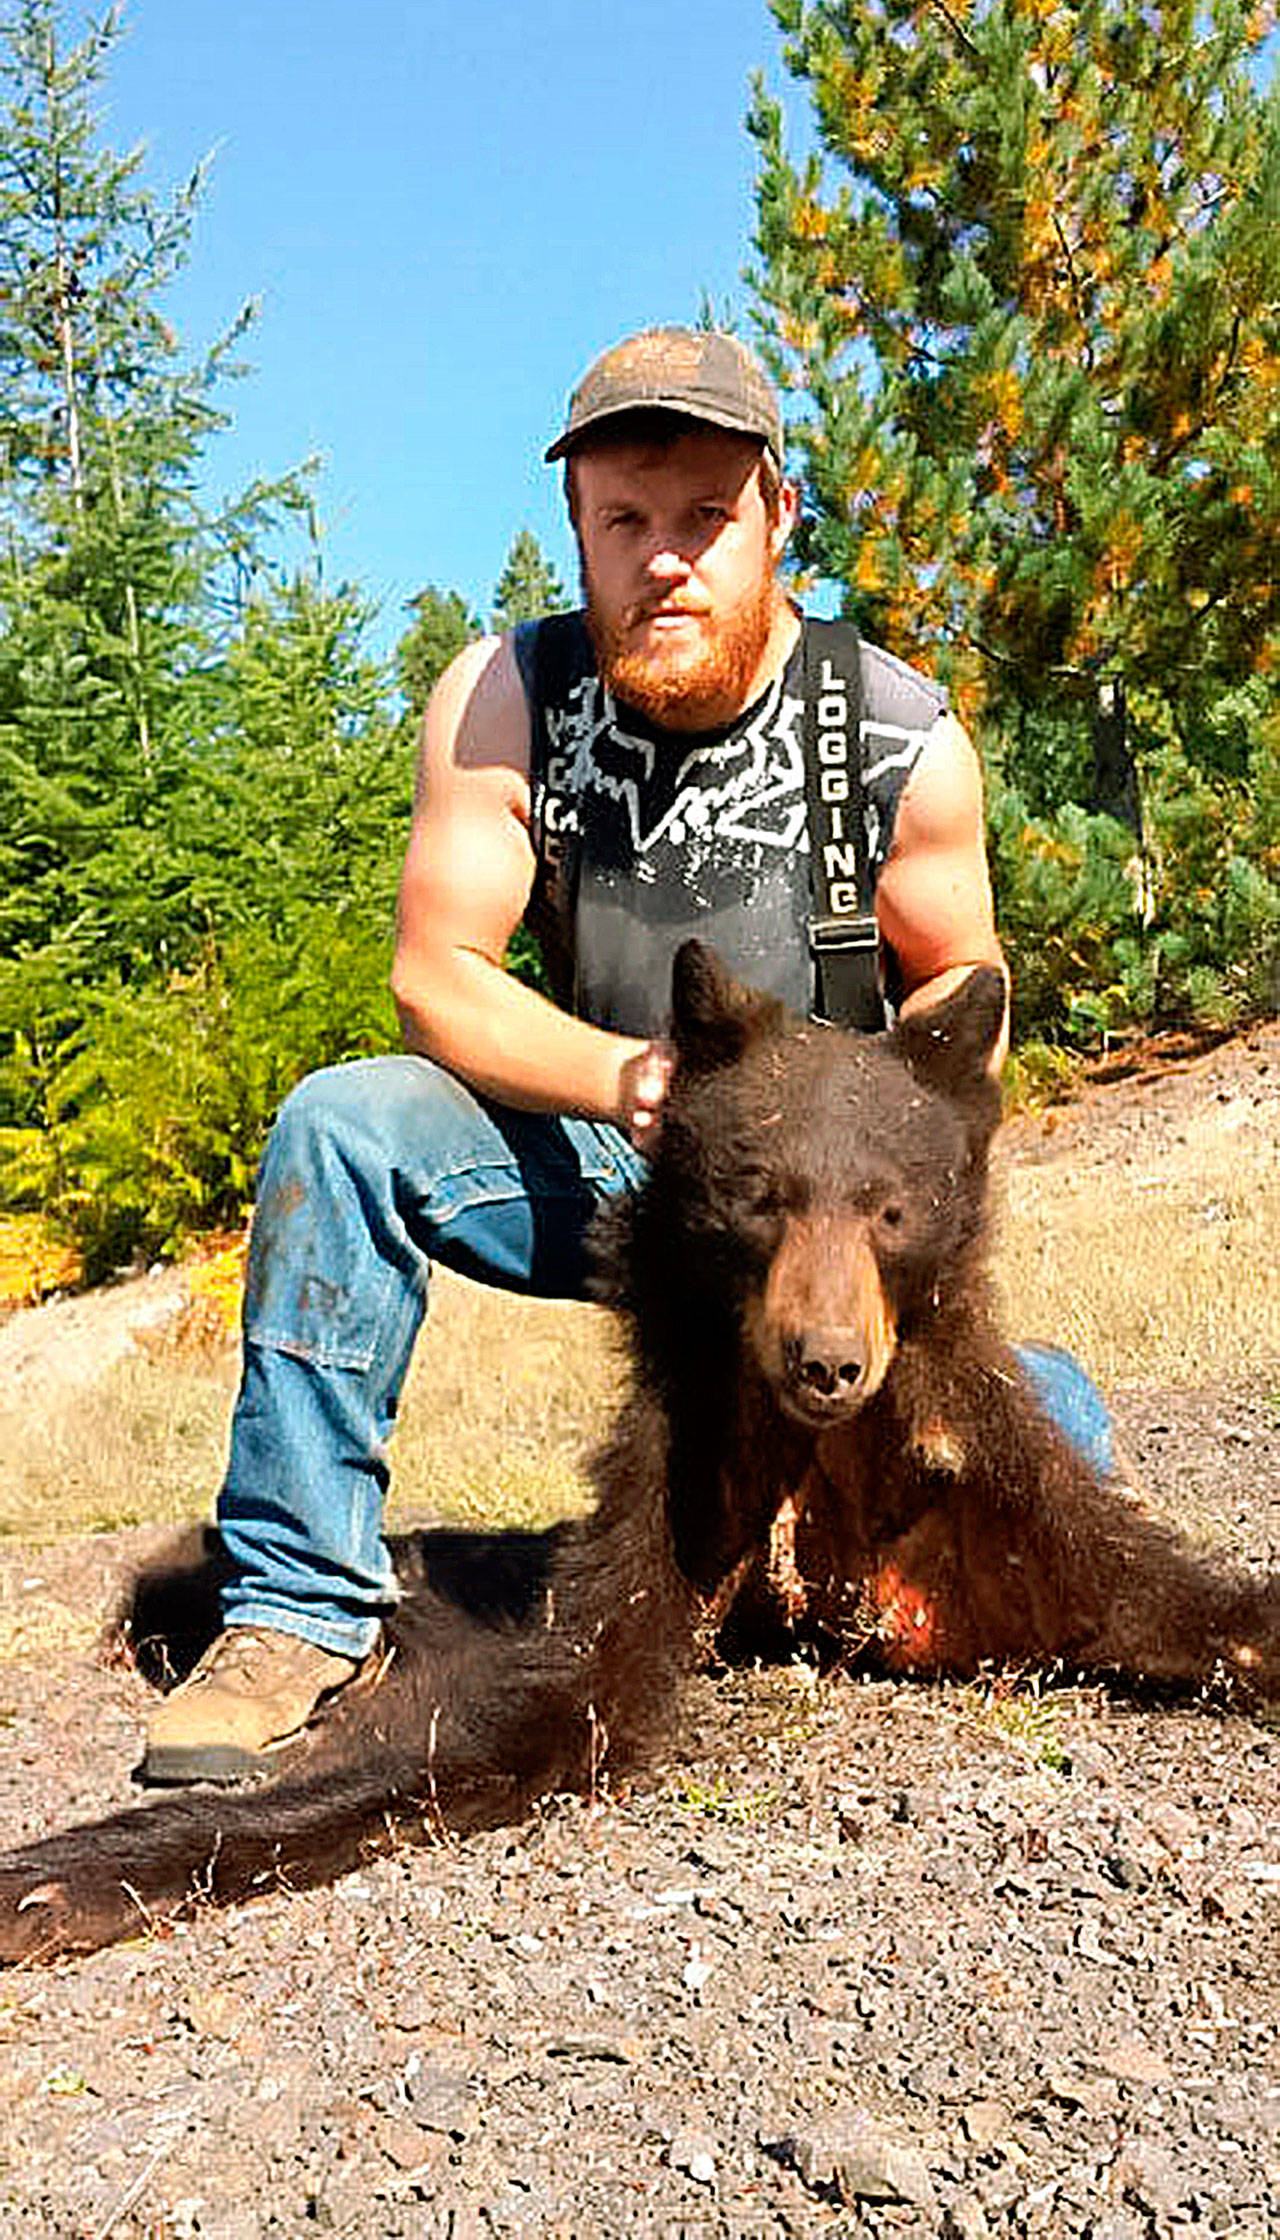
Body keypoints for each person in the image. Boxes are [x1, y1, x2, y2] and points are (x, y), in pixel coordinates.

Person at [143, 326, 1112, 1784]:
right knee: (344, 1125)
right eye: (626, 521)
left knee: (1069, 1436)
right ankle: (294, 1605)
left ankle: (810, 1546)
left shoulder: (900, 735)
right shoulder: (508, 696)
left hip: (819, 1211)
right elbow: (437, 976)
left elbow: (966, 993)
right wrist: (623, 1080)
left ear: (779, 517)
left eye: (706, 519)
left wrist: (861, 1177)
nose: (666, 558)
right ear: (578, 527)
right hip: (613, 1150)